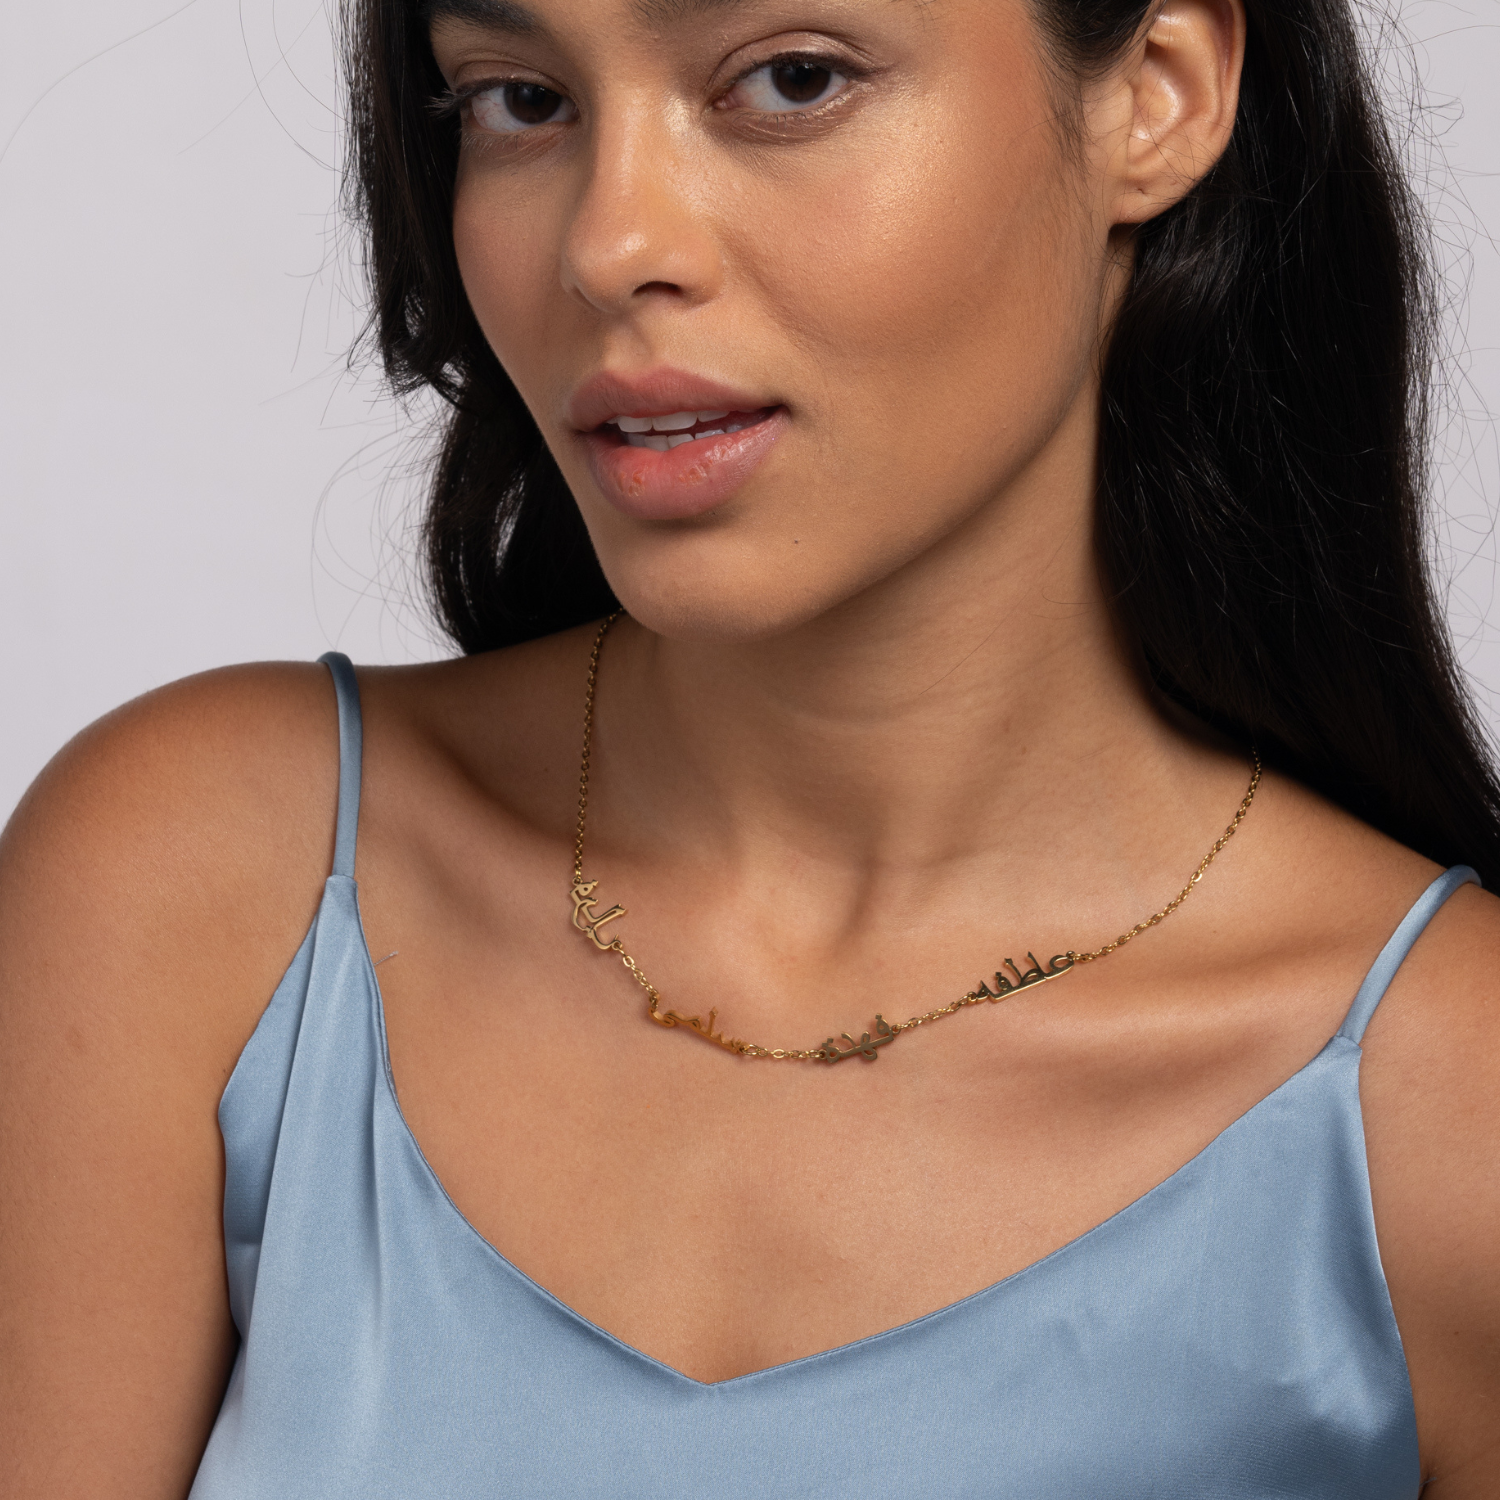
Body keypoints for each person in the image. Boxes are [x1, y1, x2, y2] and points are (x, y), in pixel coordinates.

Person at [3, 0, 1498, 1491]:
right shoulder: (209, 894)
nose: (608, 245)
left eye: (790, 80)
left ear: (1155, 94)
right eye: (520, 100)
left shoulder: (1447, 1112)